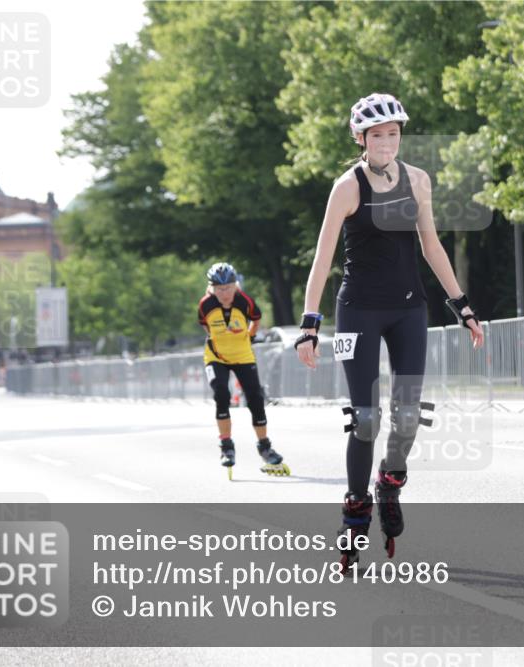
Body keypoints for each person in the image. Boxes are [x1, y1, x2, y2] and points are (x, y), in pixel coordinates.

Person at [295, 92, 484, 569]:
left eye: (393, 134)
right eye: (377, 135)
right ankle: (356, 507)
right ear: (361, 138)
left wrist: (461, 306)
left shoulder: (418, 181)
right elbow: (322, 259)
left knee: (405, 415)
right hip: (357, 311)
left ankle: (389, 482)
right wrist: (309, 324)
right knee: (365, 418)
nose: (386, 142)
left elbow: (432, 246)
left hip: (408, 310)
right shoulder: (347, 187)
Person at [198, 262, 288, 479]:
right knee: (221, 392)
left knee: (255, 398)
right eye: (220, 290)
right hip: (216, 356)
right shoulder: (205, 305)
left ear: (235, 285)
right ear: (211, 288)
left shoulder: (244, 301)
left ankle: (265, 446)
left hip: (242, 355)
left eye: (229, 288)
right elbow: (205, 326)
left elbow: (256, 320)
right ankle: (226, 445)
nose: (225, 293)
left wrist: (247, 336)